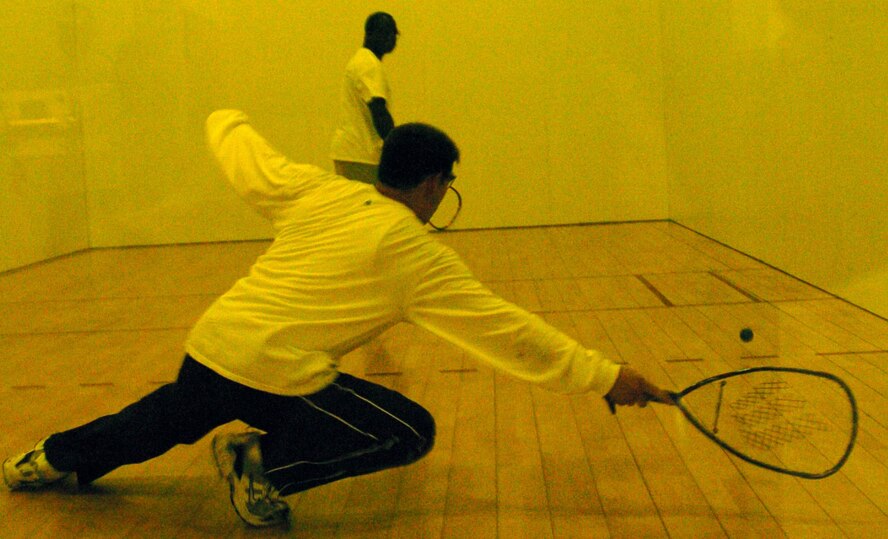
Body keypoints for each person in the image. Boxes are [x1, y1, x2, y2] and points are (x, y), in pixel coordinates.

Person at [2, 109, 671, 529]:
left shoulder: (321, 191)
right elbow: (505, 328)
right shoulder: (413, 250)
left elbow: (248, 161)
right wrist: (606, 375)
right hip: (274, 372)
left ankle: (43, 457)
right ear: (435, 183)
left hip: (213, 343)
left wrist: (224, 117)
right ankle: (256, 464)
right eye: (446, 186)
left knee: (155, 422)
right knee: (408, 431)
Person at [330, 12, 399, 184]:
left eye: (393, 33)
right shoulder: (368, 64)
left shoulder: (362, 61)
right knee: (368, 209)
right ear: (370, 34)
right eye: (385, 32)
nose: (390, 38)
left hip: (355, 155)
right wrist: (398, 147)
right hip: (361, 156)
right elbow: (378, 110)